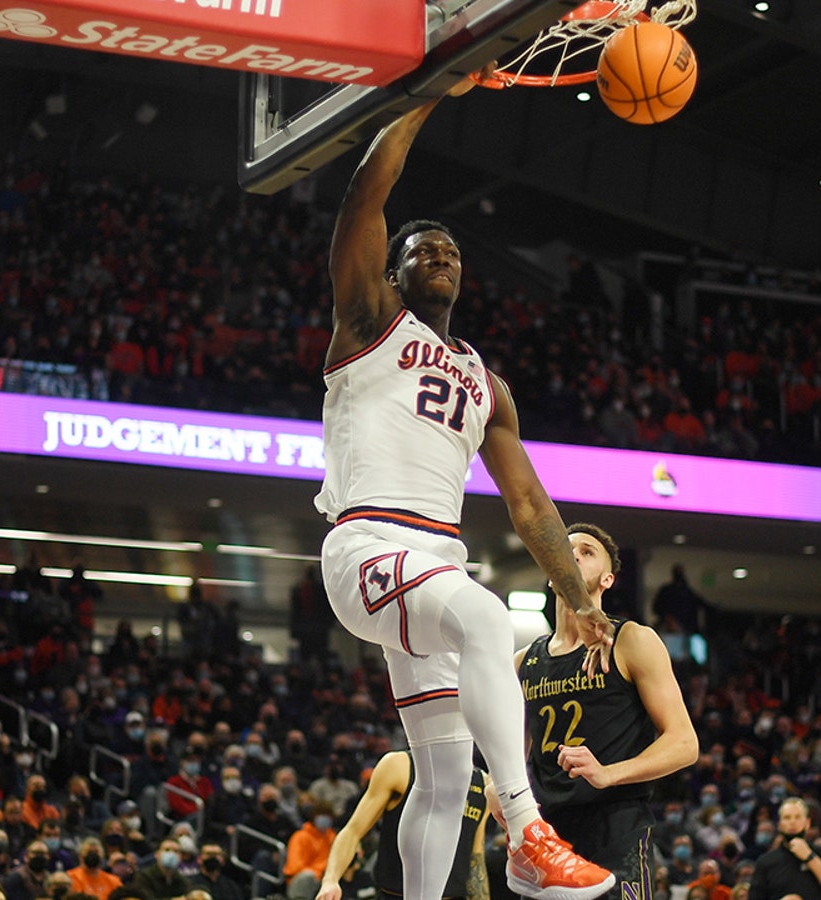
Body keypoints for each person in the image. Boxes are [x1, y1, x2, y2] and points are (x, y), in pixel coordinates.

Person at [315, 72, 615, 900]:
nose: (438, 256)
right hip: (370, 547)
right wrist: (431, 92)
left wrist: (575, 596)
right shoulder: (367, 320)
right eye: (421, 250)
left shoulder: (488, 382)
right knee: (488, 616)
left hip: (430, 567)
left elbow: (529, 503)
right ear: (396, 270)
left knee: (444, 775)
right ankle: (527, 834)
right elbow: (362, 200)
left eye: (450, 250)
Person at [512, 523, 698, 900]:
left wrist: (608, 773)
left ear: (608, 579)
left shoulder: (631, 640)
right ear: (551, 573)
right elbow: (514, 752)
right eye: (566, 549)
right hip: (548, 833)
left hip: (616, 825)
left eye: (587, 551)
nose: (574, 554)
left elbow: (684, 742)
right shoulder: (523, 661)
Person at [316, 750, 488, 900]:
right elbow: (352, 831)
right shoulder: (399, 766)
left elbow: (476, 859)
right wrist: (330, 880)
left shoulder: (482, 783)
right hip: (396, 894)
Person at [747, 798, 821, 900]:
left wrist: (809, 856)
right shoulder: (766, 862)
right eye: (787, 817)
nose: (792, 822)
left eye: (798, 817)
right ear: (779, 825)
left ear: (807, 823)